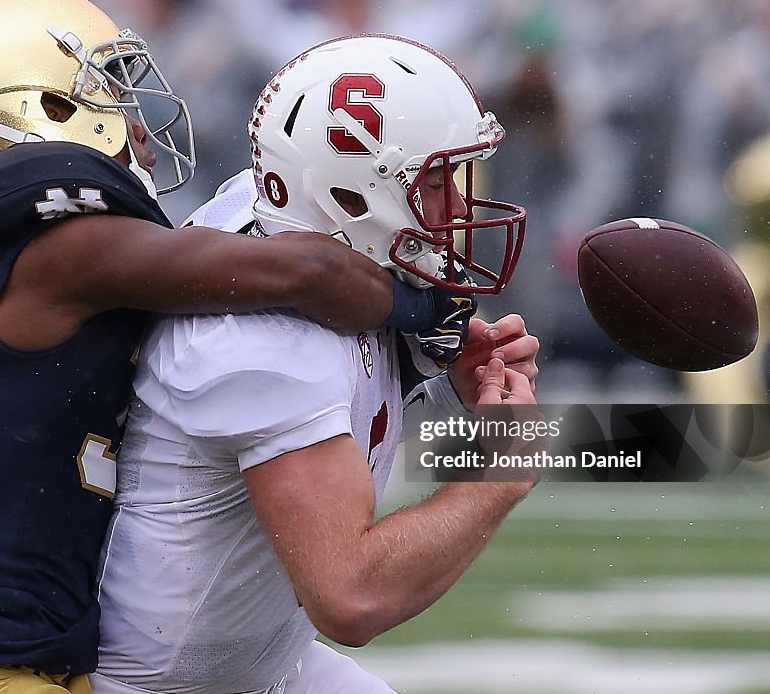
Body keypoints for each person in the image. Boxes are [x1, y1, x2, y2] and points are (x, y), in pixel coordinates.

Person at [0, 0, 467, 694]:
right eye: (112, 97)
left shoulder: (17, 247)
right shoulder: (41, 232)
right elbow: (307, 269)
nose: (142, 128)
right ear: (43, 110)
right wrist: (422, 303)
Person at [92, 34, 540, 694]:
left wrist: (441, 383)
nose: (458, 209)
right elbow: (352, 596)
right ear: (351, 197)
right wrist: (498, 476)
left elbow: (355, 408)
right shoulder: (264, 348)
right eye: (436, 181)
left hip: (262, 667)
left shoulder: (288, 220)